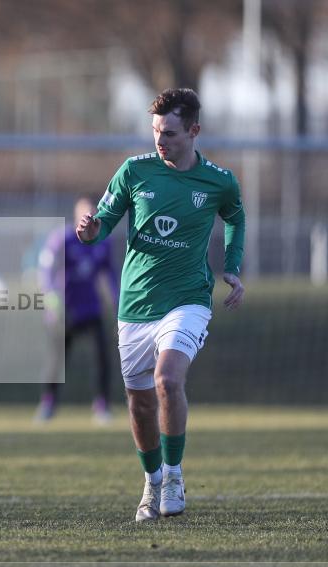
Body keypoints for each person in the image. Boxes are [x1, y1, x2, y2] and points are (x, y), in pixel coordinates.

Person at [76, 88, 245, 522]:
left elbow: (236, 216)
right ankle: (151, 483)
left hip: (188, 299)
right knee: (140, 403)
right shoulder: (134, 171)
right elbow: (102, 224)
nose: (159, 140)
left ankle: (173, 476)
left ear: (194, 131)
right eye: (155, 131)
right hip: (135, 304)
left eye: (169, 132)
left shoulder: (218, 181)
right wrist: (90, 231)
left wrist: (232, 267)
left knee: (167, 380)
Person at [36, 196, 118, 423]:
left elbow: (109, 274)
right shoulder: (62, 239)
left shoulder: (103, 242)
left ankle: (102, 406)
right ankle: (48, 404)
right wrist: (52, 299)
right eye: (85, 211)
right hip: (66, 311)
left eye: (93, 210)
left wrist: (117, 301)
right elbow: (45, 272)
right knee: (57, 359)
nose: (89, 214)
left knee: (102, 355)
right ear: (76, 214)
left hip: (91, 308)